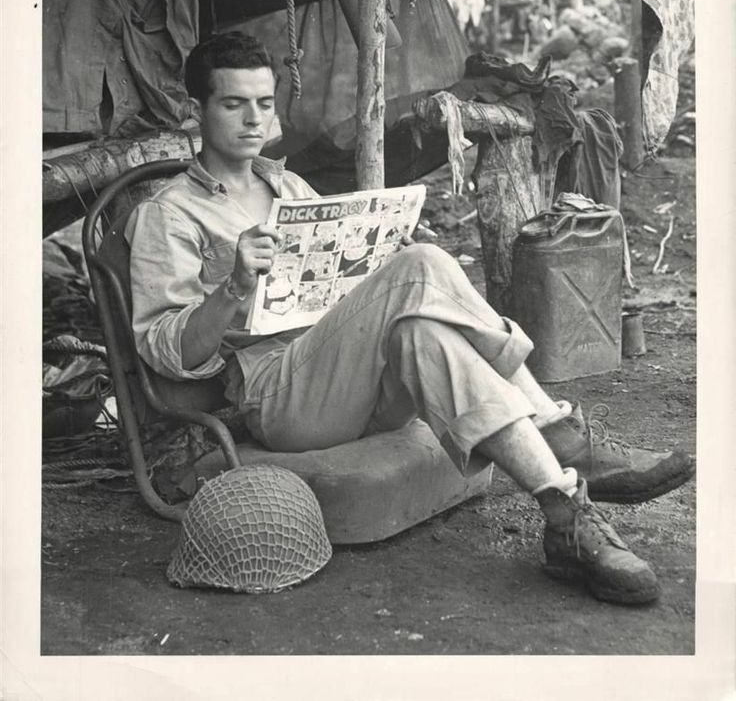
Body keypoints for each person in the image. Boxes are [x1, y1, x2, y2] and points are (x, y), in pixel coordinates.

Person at [125, 32, 695, 606]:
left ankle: (564, 513)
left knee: (421, 319)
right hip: (277, 395)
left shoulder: (288, 186)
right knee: (422, 266)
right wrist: (234, 286)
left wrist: (376, 254)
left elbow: (337, 291)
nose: (253, 119)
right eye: (232, 104)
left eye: (264, 103)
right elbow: (165, 349)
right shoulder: (169, 213)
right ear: (197, 111)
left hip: (350, 376)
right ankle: (556, 428)